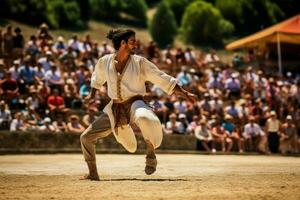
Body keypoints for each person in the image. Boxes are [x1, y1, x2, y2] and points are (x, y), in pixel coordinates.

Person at [80, 29, 197, 181]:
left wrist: (185, 93)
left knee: (145, 117)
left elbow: (161, 78)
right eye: (132, 41)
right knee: (86, 137)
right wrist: (91, 95)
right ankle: (93, 173)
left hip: (136, 103)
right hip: (115, 109)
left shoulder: (140, 62)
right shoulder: (105, 61)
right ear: (123, 43)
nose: (136, 44)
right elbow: (97, 80)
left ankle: (151, 152)